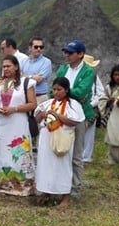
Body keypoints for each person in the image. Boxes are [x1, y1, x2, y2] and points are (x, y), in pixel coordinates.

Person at [0, 55, 37, 196]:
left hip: (17, 121)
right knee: (2, 152)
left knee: (19, 151)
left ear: (16, 67)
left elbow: (33, 104)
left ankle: (23, 185)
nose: (5, 69)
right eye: (3, 66)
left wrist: (14, 109)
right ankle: (5, 184)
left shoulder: (26, 82)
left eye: (8, 66)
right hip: (1, 122)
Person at [34, 77, 84, 209]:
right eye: (54, 89)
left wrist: (57, 115)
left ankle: (65, 197)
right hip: (46, 137)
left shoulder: (73, 105)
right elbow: (36, 118)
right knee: (46, 165)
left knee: (62, 165)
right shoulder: (47, 103)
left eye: (59, 89)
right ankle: (46, 191)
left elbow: (74, 121)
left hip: (63, 137)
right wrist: (43, 114)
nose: (56, 92)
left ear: (66, 91)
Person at [53, 40, 96, 196]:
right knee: (59, 148)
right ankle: (59, 183)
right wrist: (61, 92)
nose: (67, 55)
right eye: (66, 52)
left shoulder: (88, 71)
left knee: (77, 153)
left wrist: (62, 92)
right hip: (60, 112)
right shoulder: (63, 69)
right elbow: (54, 89)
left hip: (79, 114)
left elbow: (81, 92)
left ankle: (75, 186)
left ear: (80, 54)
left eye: (70, 53)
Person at [82, 55, 105, 163]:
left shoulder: (94, 77)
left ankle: (86, 157)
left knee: (89, 134)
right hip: (77, 108)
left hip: (90, 108)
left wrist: (91, 104)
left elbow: (100, 93)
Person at [20, 36, 53, 104]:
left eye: (41, 47)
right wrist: (32, 77)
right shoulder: (23, 61)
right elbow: (18, 77)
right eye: (36, 47)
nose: (38, 49)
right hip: (24, 97)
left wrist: (25, 76)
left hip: (40, 98)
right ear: (30, 48)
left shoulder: (46, 62)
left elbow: (38, 80)